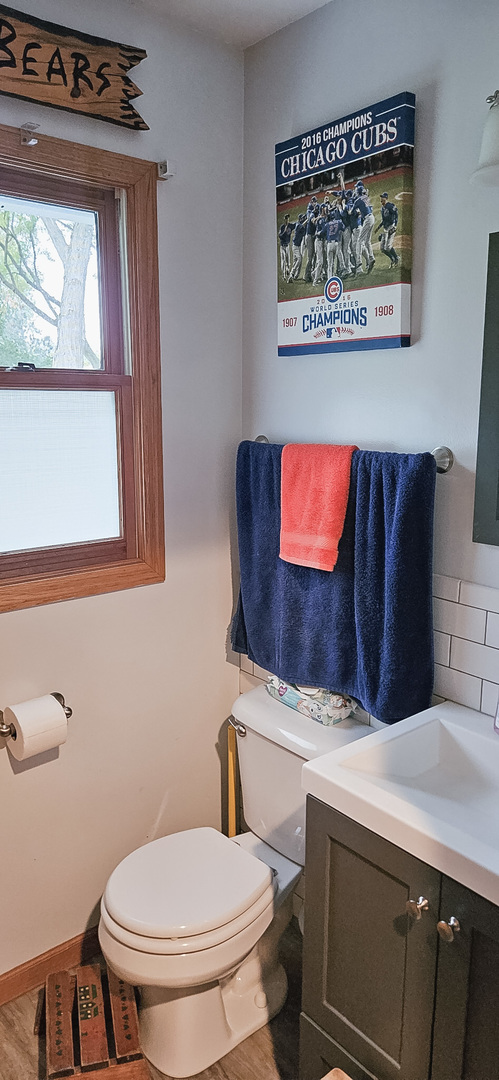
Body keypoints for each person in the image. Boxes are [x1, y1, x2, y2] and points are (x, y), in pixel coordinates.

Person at [352, 181, 375, 273]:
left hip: (367, 219)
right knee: (367, 241)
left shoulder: (357, 200)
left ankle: (359, 262)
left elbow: (351, 211)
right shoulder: (366, 197)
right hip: (371, 217)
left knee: (359, 241)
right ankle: (371, 257)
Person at [376, 192, 399, 266]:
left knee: (388, 247)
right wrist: (378, 227)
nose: (381, 199)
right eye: (381, 197)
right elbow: (384, 220)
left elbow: (396, 214)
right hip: (385, 228)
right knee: (382, 248)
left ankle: (396, 258)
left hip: (391, 227)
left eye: (383, 197)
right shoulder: (382, 208)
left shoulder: (390, 206)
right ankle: (392, 259)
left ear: (386, 198)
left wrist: (395, 226)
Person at [325, 206, 345, 278]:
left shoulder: (327, 224)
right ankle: (336, 276)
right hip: (336, 243)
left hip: (329, 244)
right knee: (336, 260)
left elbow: (323, 232)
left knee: (330, 263)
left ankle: (330, 278)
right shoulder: (339, 222)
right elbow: (343, 228)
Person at [289, 213, 308, 279]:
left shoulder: (300, 225)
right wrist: (308, 219)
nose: (303, 219)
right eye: (302, 218)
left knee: (295, 261)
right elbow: (302, 226)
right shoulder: (298, 225)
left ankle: (293, 276)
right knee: (299, 259)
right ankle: (292, 273)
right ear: (300, 219)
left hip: (298, 246)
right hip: (295, 246)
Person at [278, 214, 294, 279]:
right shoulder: (282, 227)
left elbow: (296, 225)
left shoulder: (290, 225)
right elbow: (280, 236)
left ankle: (287, 270)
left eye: (288, 218)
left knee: (288, 261)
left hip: (287, 246)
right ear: (284, 219)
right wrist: (284, 231)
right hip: (282, 247)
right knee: (283, 261)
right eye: (286, 219)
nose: (287, 220)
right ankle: (284, 275)